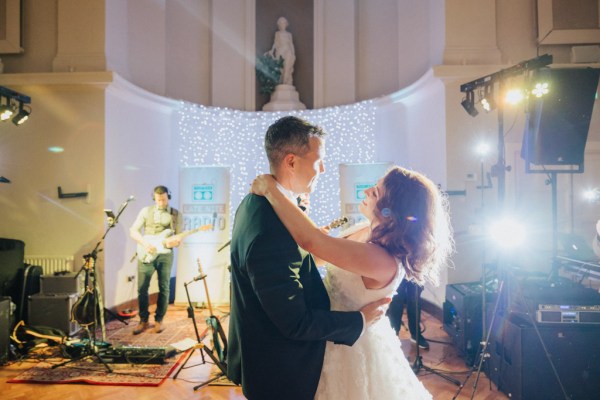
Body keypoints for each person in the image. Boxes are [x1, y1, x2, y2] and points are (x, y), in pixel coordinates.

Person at [251, 165, 453, 400]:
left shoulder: (381, 259)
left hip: (349, 346)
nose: (366, 191)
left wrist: (271, 189)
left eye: (375, 192)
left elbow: (310, 242)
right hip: (332, 330)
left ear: (391, 210)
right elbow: (316, 256)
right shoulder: (364, 230)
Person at [227, 116, 390, 400]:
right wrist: (359, 321)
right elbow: (295, 323)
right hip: (281, 372)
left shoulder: (257, 202)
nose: (324, 168)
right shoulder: (270, 230)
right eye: (319, 160)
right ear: (291, 162)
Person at [129, 185, 181, 334]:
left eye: (163, 199)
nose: (161, 202)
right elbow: (133, 230)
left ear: (168, 197)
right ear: (154, 198)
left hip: (165, 254)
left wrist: (174, 242)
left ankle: (159, 320)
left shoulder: (176, 214)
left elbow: (178, 238)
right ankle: (143, 320)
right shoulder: (146, 211)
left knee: (164, 287)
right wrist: (145, 243)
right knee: (142, 288)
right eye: (158, 199)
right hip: (147, 253)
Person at [387, 279, 430, 349]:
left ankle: (415, 334)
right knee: (396, 298)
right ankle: (394, 334)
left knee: (415, 299)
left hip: (415, 270)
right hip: (397, 268)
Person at [266, 16, 296, 85]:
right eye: (281, 23)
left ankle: (286, 80)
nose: (283, 25)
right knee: (281, 67)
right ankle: (281, 81)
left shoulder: (289, 34)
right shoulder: (277, 33)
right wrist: (272, 50)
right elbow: (275, 43)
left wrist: (293, 54)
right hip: (280, 51)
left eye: (284, 23)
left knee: (288, 66)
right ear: (279, 25)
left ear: (286, 24)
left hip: (288, 50)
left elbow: (291, 44)